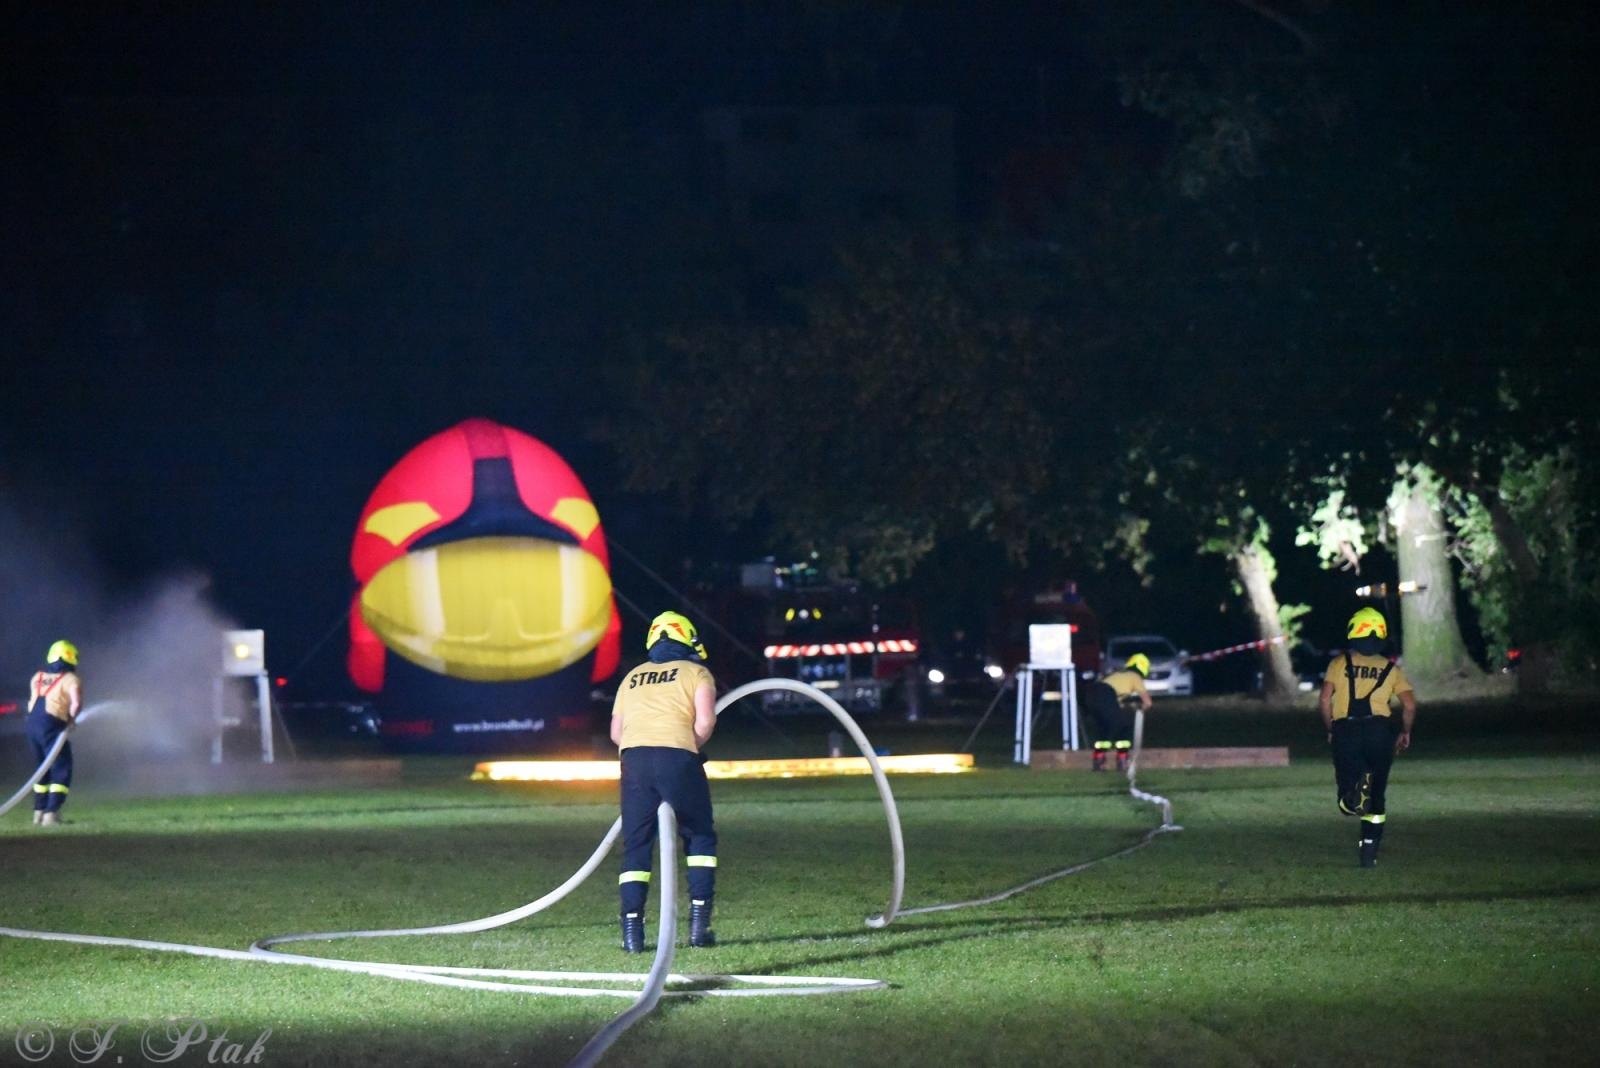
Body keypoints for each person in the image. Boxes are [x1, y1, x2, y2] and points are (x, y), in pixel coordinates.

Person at [610, 611, 719, 952]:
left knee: (637, 844)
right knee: (699, 836)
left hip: (635, 760)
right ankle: (699, 926)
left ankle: (632, 933)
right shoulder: (697, 672)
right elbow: (704, 723)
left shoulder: (632, 677)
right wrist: (686, 748)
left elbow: (616, 733)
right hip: (678, 757)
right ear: (687, 639)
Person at [1318, 608, 1417, 869]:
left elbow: (1325, 699)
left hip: (1346, 732)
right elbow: (1409, 705)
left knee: (1349, 788)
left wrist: (1331, 728)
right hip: (1380, 734)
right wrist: (1405, 731)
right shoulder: (1391, 669)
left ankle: (1351, 799)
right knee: (1377, 795)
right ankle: (1368, 853)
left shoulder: (1339, 664)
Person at [27, 640, 82, 827]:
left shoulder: (38, 677)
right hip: (52, 725)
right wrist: (72, 721)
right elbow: (75, 703)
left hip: (32, 725)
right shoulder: (71, 680)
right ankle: (51, 815)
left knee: (42, 768)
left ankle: (38, 813)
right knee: (62, 767)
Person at [1081, 652, 1151, 772]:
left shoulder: (1118, 674)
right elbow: (1148, 702)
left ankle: (1099, 760)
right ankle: (1122, 760)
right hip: (1105, 694)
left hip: (1091, 695)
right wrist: (1140, 707)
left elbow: (1114, 700)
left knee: (1105, 728)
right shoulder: (1135, 676)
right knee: (1124, 726)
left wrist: (1126, 705)